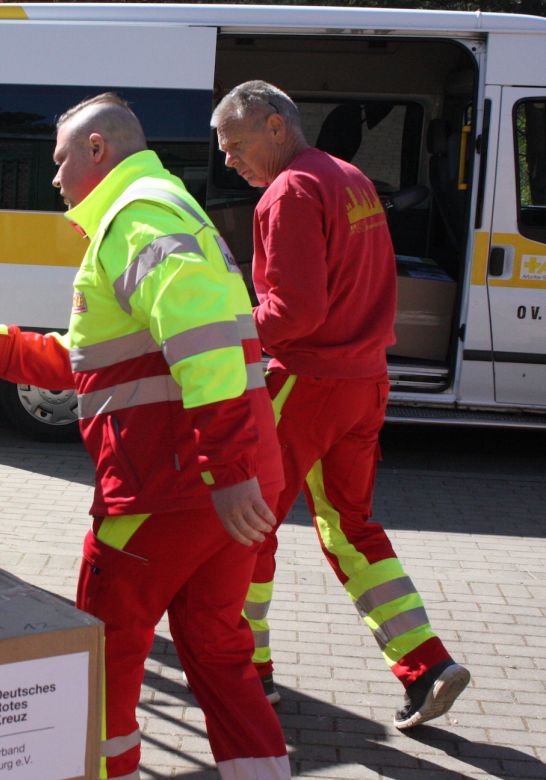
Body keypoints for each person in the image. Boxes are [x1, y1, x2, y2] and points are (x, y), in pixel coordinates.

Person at [0, 93, 290, 780]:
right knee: (220, 650)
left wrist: (224, 468)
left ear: (97, 150)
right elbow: (93, 359)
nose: (55, 177)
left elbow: (205, 341)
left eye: (60, 159)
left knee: (103, 652)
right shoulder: (157, 210)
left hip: (168, 487)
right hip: (222, 485)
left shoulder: (137, 218)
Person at [210, 80, 471, 729]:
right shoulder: (349, 178)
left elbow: (294, 311)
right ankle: (427, 663)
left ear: (275, 127)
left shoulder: (290, 191)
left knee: (248, 522)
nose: (228, 161)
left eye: (236, 145)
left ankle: (248, 672)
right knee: (350, 528)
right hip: (363, 382)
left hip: (308, 382)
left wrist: (227, 334)